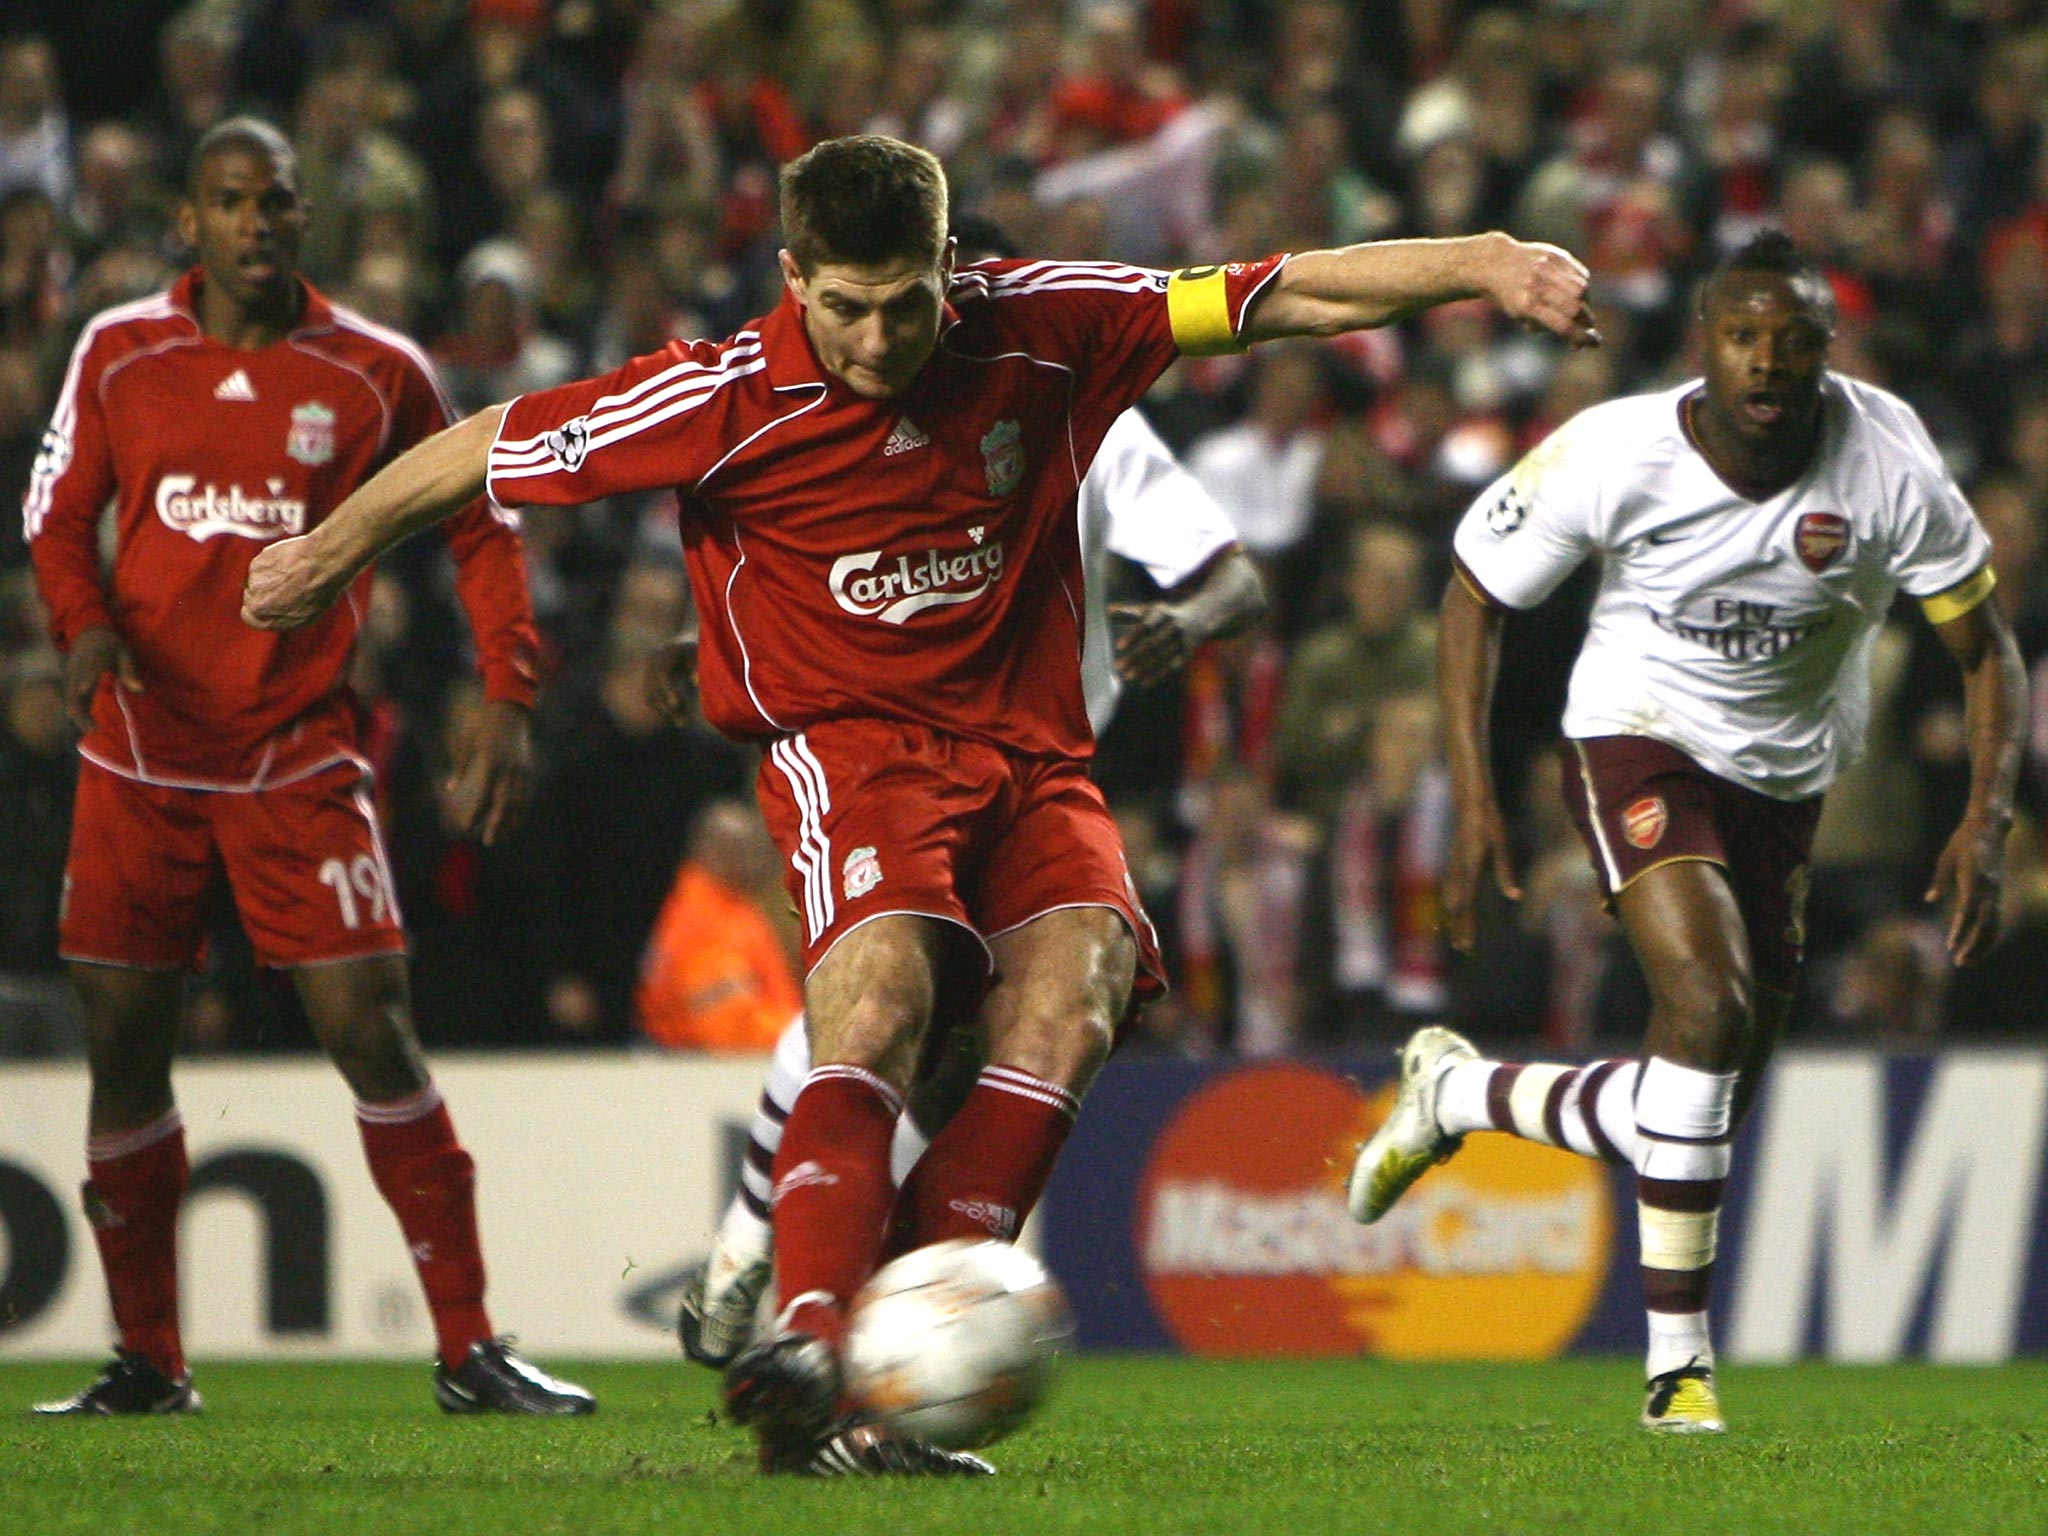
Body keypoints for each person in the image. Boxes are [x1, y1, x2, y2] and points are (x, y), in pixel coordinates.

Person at [244, 133, 1595, 1474]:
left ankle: (875, 1390)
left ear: (953, 265)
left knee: (1077, 1003)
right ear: (791, 278)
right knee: (883, 998)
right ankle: (818, 1342)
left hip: (1033, 754)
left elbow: (1268, 293)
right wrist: (324, 551)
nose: (879, 339)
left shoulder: (1045, 325)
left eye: (906, 302)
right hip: (851, 747)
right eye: (843, 307)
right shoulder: (716, 394)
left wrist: (1479, 260)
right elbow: (486, 448)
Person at [1347, 230, 2025, 1434]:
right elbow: (1470, 600)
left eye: (1793, 340)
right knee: (1704, 1012)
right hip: (1633, 738)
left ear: (1827, 350)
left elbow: (1984, 653)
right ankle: (1676, 1372)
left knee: (1700, 1097)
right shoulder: (1614, 451)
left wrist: (1984, 817)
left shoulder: (1889, 464)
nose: (1766, 363)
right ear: (1703, 344)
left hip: (1786, 786)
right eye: (1742, 337)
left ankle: (1458, 1095)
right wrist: (1470, 797)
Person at [23, 118, 592, 1418]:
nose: (256, 223)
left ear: (302, 219)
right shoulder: (117, 352)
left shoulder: (377, 369)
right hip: (139, 752)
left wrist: (507, 685)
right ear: (190, 221)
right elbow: (55, 515)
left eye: (276, 202)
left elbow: (479, 516)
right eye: (230, 201)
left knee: (373, 1027)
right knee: (122, 1043)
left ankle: (468, 1347)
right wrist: (86, 628)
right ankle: (149, 1362)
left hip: (295, 751)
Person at [673, 210, 1270, 1364]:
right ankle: (781, 1279)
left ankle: (847, 1336)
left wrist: (1178, 623)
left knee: (983, 1062)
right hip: (891, 765)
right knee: (881, 1006)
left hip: (1042, 782)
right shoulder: (840, 425)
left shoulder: (1081, 414)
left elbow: (1228, 578)